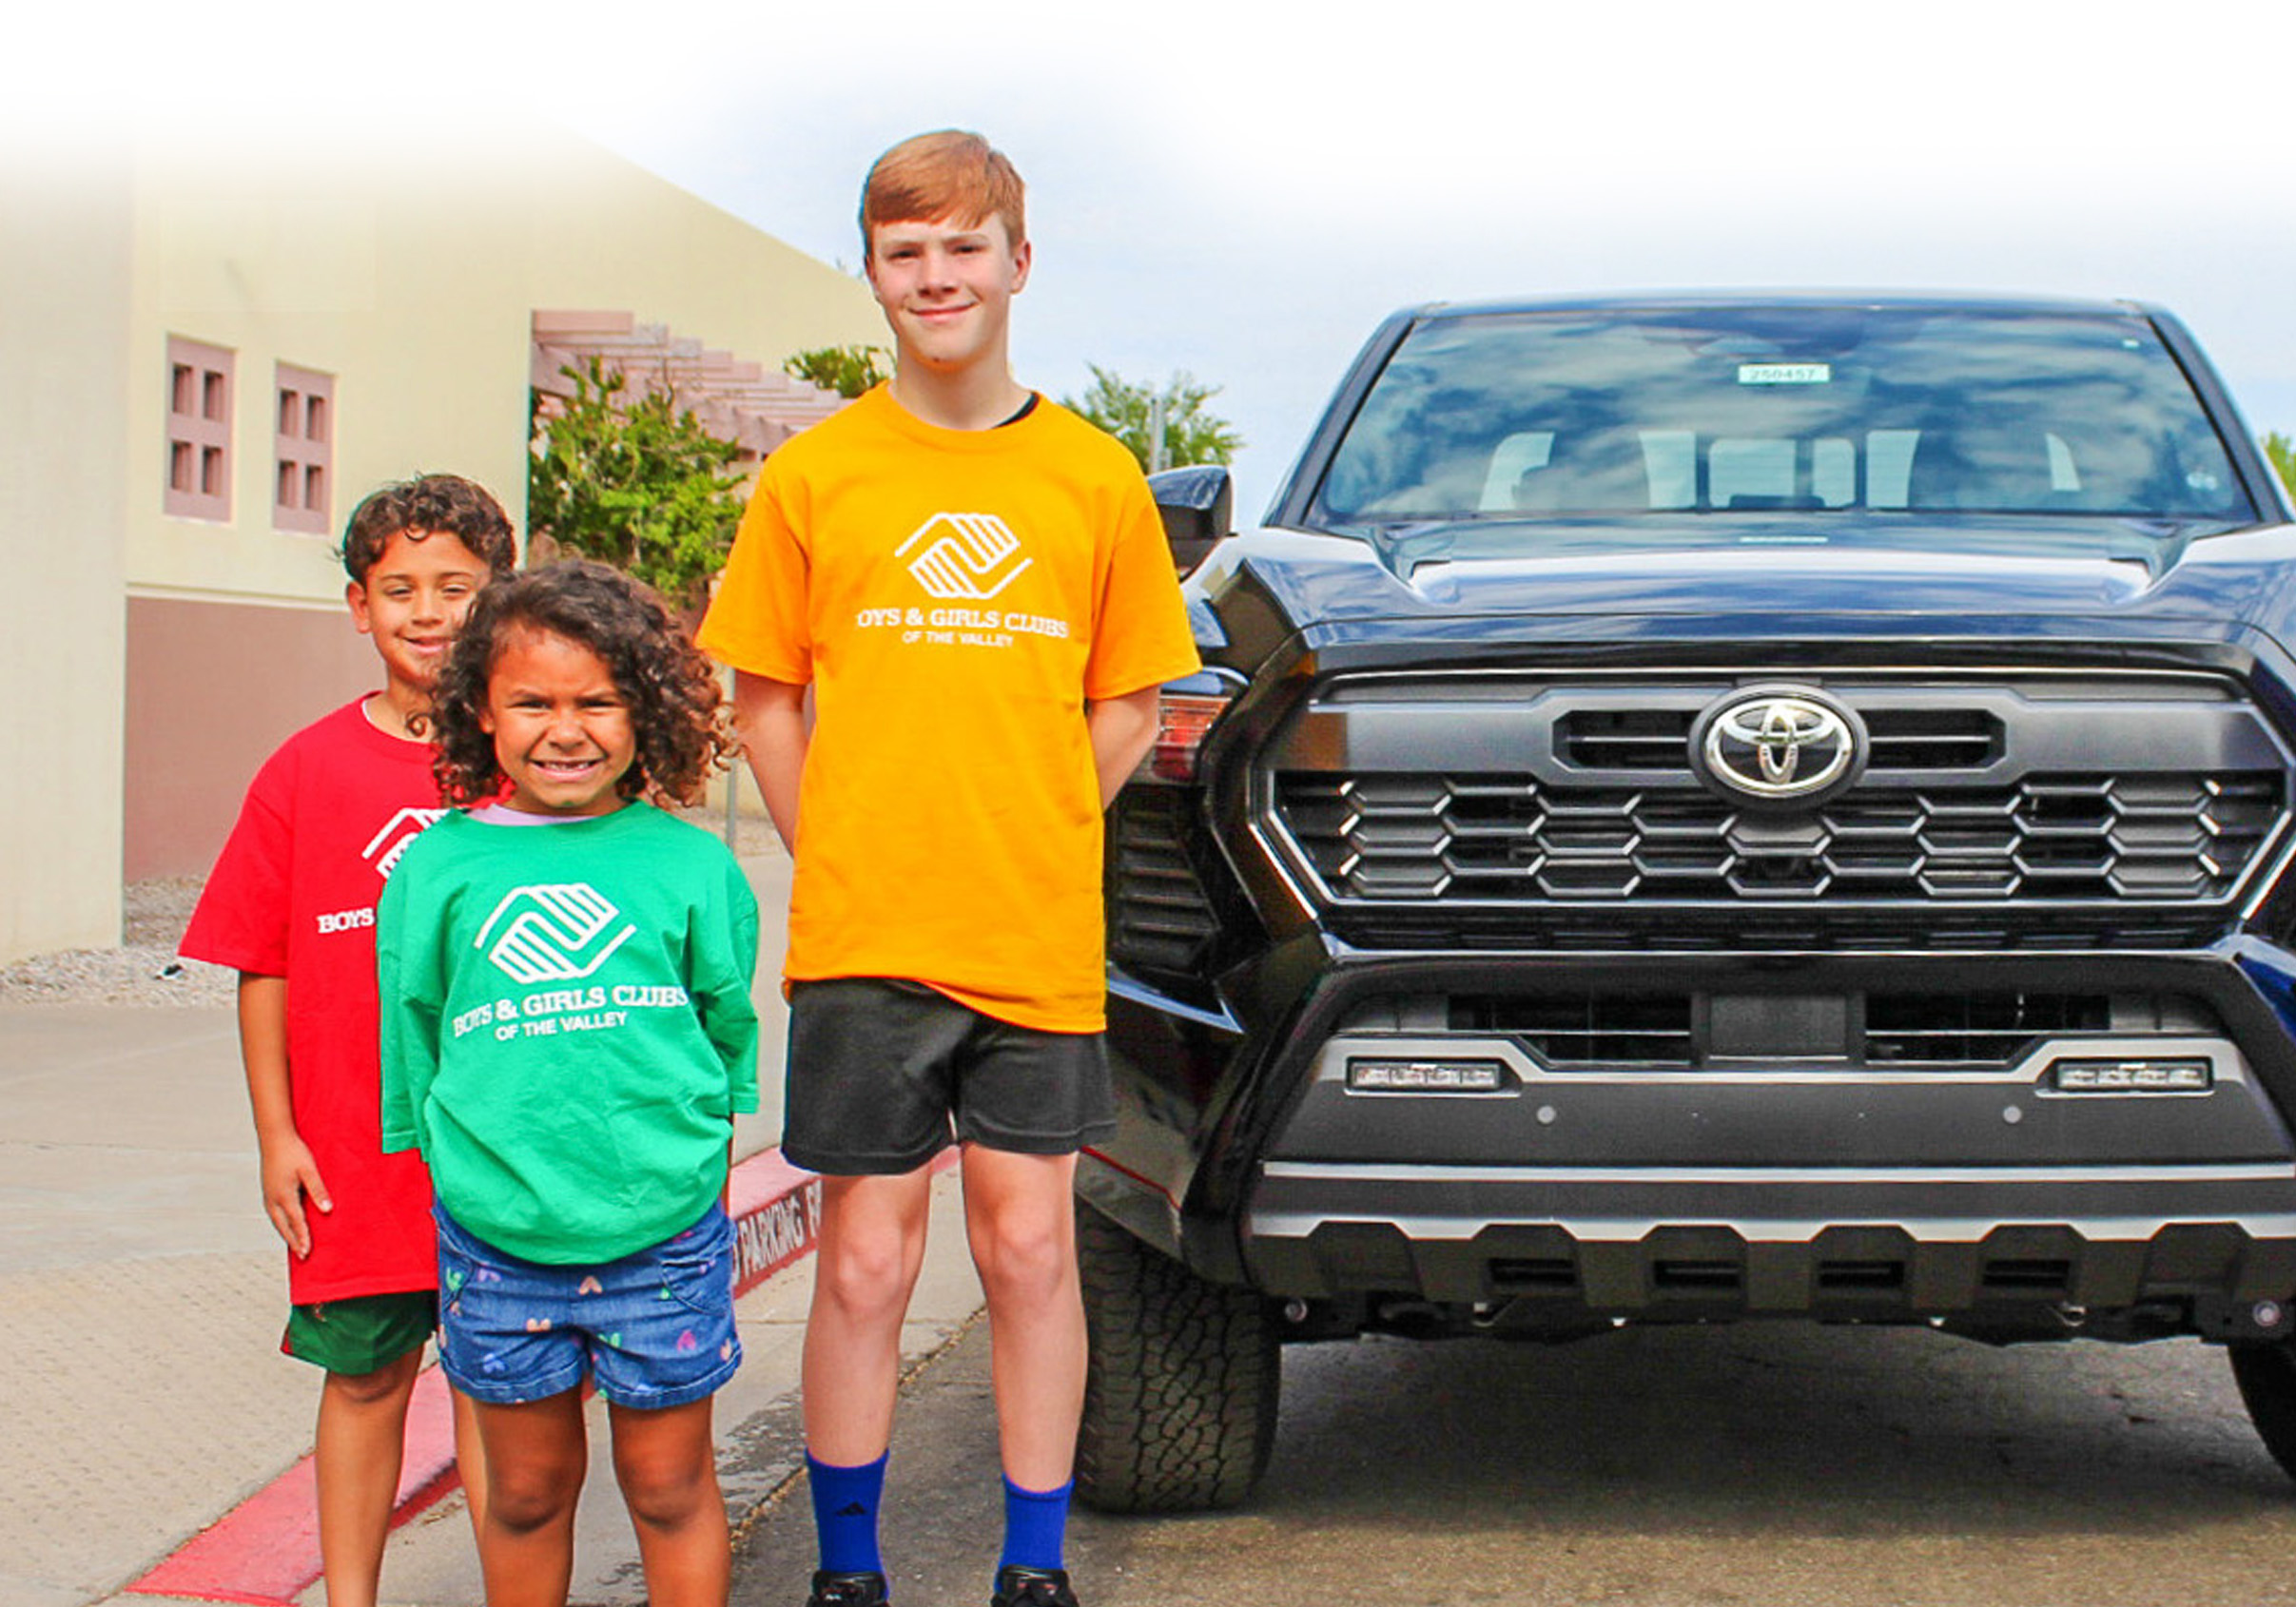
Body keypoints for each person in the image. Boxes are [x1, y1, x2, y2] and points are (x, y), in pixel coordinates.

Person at [696, 130, 1200, 1607]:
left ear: (1016, 262)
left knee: (1030, 1246)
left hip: (1029, 936)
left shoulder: (1090, 475)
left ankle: (1031, 1568)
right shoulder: (817, 474)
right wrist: (843, 846)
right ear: (871, 272)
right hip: (866, 938)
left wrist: (1030, 828)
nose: (936, 276)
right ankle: (847, 1572)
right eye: (904, 252)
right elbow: (765, 699)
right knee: (864, 1258)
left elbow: (1131, 703)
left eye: (963, 246)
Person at [377, 558, 760, 1607]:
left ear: (646, 710)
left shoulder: (690, 865)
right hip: (498, 1240)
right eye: (533, 703)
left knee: (669, 1487)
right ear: (480, 711)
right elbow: (414, 1036)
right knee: (525, 1492)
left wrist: (695, 1177)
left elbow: (725, 1039)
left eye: (597, 702)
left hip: (661, 1236)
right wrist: (460, 1178)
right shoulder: (437, 867)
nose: (566, 730)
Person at [179, 474, 516, 1607]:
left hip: (506, 1144)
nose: (428, 611)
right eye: (400, 588)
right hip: (355, 1153)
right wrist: (276, 1136)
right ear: (358, 607)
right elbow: (261, 963)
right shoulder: (304, 771)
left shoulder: (531, 757)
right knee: (367, 1380)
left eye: (456, 587)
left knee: (499, 1390)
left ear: (498, 596)